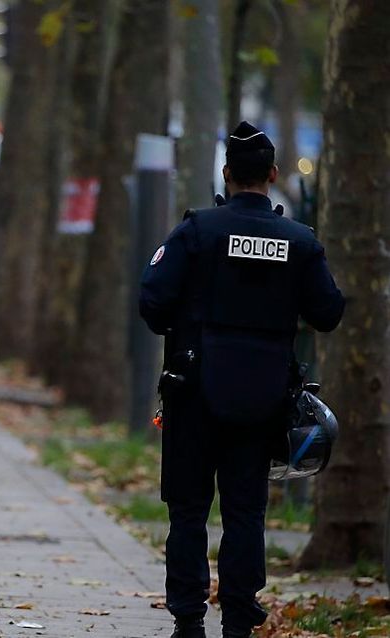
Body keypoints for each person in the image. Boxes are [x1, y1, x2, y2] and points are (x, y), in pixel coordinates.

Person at [139, 121, 345, 638]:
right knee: (245, 512)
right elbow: (329, 312)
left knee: (187, 512)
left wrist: (186, 327)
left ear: (227, 174)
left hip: (193, 394)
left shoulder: (196, 231)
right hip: (262, 399)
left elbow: (152, 300)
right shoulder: (300, 243)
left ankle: (188, 621)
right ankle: (238, 617)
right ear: (273, 175)